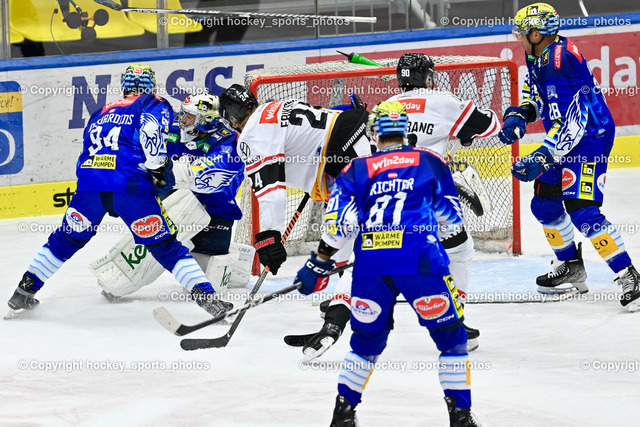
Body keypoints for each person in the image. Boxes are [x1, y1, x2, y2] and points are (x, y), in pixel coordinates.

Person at [294, 101, 480, 427]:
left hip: (370, 267)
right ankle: (460, 418)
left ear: (373, 133)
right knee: (452, 341)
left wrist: (318, 262)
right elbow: (451, 221)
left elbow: (339, 226)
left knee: (365, 345)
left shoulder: (356, 168)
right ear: (406, 131)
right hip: (420, 261)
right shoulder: (430, 160)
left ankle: (343, 416)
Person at [7, 65, 232, 318]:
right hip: (130, 187)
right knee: (165, 246)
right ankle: (207, 298)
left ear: (124, 86)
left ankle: (24, 291)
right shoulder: (151, 102)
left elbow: (87, 149)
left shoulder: (100, 111)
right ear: (151, 86)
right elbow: (150, 130)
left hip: (90, 187)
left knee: (65, 239)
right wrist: (158, 169)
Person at [500, 2, 639, 311]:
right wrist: (521, 115)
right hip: (563, 139)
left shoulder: (560, 63)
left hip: (589, 138)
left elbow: (572, 123)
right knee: (544, 203)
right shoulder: (539, 52)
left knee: (582, 212)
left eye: (523, 33)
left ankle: (629, 274)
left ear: (537, 34)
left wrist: (541, 156)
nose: (519, 38)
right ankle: (572, 266)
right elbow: (536, 94)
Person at [218, 85, 371, 353]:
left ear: (231, 117)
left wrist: (269, 238)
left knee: (362, 244)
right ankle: (337, 310)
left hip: (349, 161)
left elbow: (272, 194)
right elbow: (323, 120)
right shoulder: (277, 106)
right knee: (345, 242)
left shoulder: (253, 135)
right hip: (355, 146)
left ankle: (337, 320)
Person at [386, 52, 501, 349]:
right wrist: (465, 132)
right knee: (459, 252)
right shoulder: (440, 100)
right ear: (427, 77)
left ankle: (350, 311)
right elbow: (490, 125)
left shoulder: (384, 108)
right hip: (430, 193)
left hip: (389, 196)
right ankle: (453, 323)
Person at [93, 91, 249, 300]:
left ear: (205, 120)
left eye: (190, 116)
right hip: (177, 205)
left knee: (205, 286)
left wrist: (165, 170)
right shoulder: (173, 130)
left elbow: (204, 176)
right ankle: (124, 276)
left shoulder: (229, 142)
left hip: (216, 213)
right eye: (183, 114)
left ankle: (235, 260)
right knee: (157, 232)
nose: (183, 120)